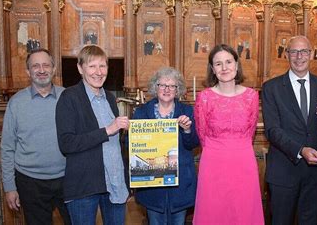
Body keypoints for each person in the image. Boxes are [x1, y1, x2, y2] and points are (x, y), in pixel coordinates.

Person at [262, 35, 317, 224]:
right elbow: (272, 130)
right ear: (287, 55)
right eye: (294, 51)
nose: (299, 56)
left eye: (304, 51)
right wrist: (300, 150)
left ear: (311, 54)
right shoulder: (271, 88)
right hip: (284, 170)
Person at [56, 45, 129, 225]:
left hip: (114, 182)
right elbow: (66, 143)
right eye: (92, 66)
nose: (98, 72)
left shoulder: (110, 98)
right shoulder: (69, 97)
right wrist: (107, 130)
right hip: (85, 185)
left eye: (102, 66)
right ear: (80, 69)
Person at [193, 44, 264, 224]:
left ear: (236, 64)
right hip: (213, 163)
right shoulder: (205, 97)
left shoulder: (251, 96)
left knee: (244, 212)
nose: (224, 68)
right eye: (218, 64)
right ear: (212, 69)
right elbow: (202, 134)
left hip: (243, 161)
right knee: (213, 213)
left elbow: (251, 131)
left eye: (228, 62)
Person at [0, 49, 70, 225]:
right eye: (35, 66)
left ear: (54, 69)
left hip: (67, 178)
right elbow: (7, 148)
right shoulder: (16, 103)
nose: (41, 70)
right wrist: (9, 187)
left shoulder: (68, 97)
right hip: (30, 183)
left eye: (46, 65)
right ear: (27, 72)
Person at [132, 67, 199, 225]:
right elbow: (132, 144)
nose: (167, 89)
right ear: (155, 88)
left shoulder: (188, 111)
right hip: (152, 184)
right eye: (162, 85)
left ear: (178, 90)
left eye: (172, 86)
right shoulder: (141, 113)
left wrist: (187, 129)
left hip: (180, 183)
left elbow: (193, 144)